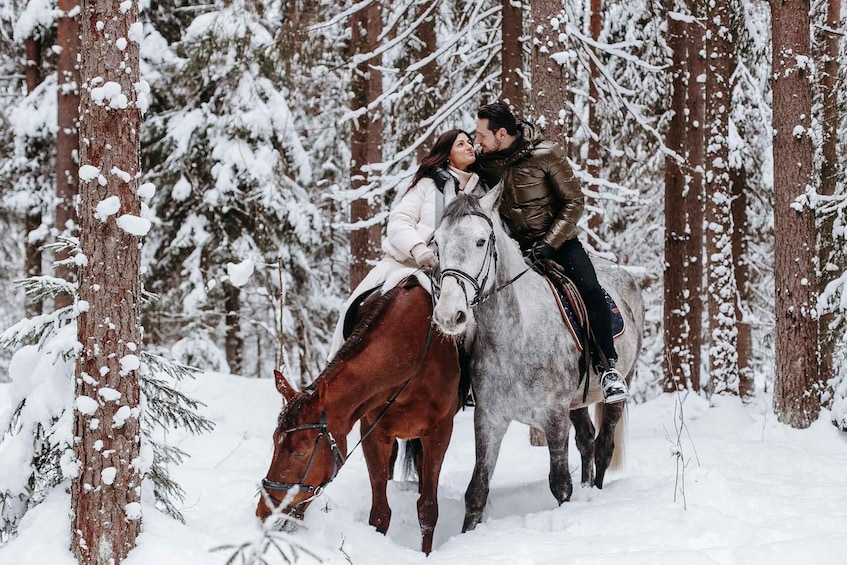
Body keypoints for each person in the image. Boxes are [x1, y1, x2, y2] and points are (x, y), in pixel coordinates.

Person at [473, 101, 629, 404]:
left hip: (558, 245)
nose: (477, 140)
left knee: (590, 290)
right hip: (513, 249)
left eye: (481, 135)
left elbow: (574, 201)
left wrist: (549, 243)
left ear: (501, 133)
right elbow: (454, 165)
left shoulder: (546, 154)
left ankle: (608, 368)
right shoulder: (486, 160)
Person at [328, 129, 487, 360]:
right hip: (404, 263)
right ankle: (334, 366)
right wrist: (419, 250)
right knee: (353, 306)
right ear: (447, 155)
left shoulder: (480, 191)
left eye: (469, 142)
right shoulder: (427, 184)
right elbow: (399, 222)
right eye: (460, 144)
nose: (469, 146)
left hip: (454, 274)